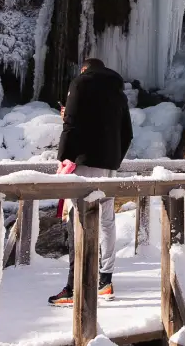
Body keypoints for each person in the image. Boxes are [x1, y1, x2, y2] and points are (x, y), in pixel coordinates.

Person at [49, 57, 133, 306]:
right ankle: (105, 281)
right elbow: (127, 133)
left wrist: (64, 157)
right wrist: (113, 160)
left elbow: (72, 124)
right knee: (106, 220)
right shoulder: (118, 91)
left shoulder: (80, 83)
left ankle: (74, 286)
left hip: (85, 164)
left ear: (84, 69)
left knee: (77, 219)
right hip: (108, 167)